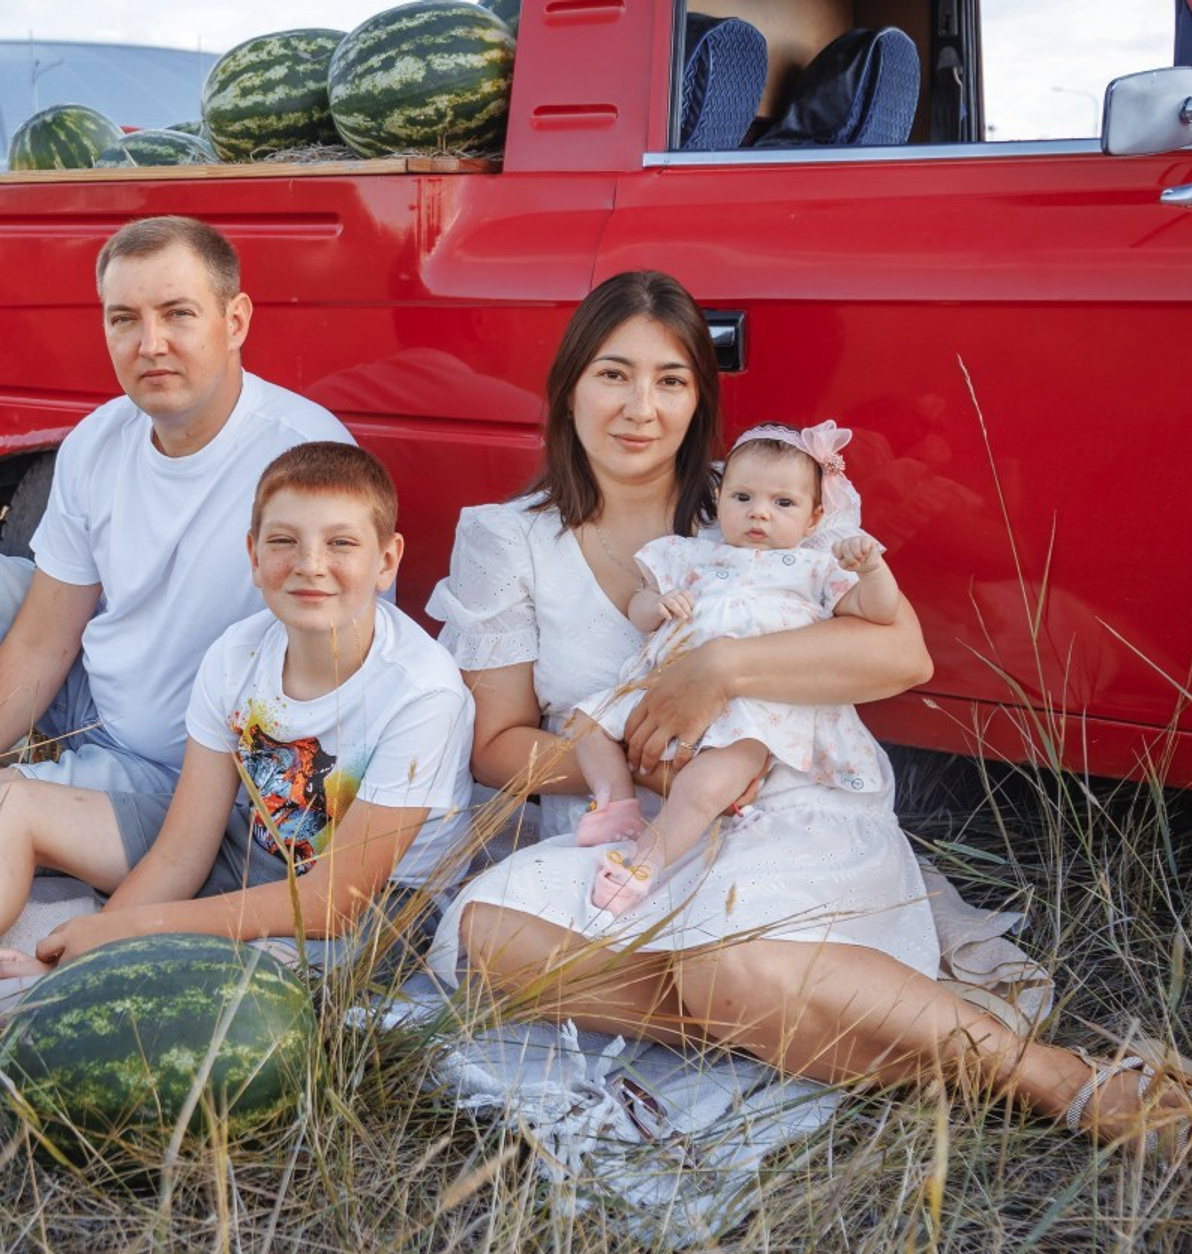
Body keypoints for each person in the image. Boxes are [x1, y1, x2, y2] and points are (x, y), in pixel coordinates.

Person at [424, 269, 1191, 1155]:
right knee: (481, 938)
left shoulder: (760, 496)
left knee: (726, 960)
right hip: (636, 831)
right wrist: (644, 760)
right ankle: (830, 1020)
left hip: (787, 806)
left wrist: (718, 669)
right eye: (612, 373)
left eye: (671, 380)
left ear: (699, 401)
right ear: (567, 388)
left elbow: (900, 653)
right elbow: (496, 745)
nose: (641, 406)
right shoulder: (506, 536)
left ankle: (1048, 1078)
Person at [0, 216, 351, 1043]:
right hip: (106, 686)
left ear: (236, 321)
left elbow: (319, 711)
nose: (151, 343)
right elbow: (45, 639)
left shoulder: (302, 464)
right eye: (124, 319)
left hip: (193, 767)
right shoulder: (99, 441)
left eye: (178, 314)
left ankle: (3, 796)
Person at [0, 442, 475, 983]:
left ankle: (64, 989)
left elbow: (333, 905)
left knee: (219, 984)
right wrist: (95, 942)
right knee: (9, 805)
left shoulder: (422, 691)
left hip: (372, 911)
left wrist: (133, 932)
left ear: (387, 561)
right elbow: (182, 852)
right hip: (249, 853)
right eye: (284, 542)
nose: (309, 565)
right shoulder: (237, 655)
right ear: (253, 557)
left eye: (340, 543)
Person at [573, 422, 900, 915]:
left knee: (707, 784)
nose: (759, 513)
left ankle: (644, 864)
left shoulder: (813, 570)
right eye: (743, 497)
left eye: (783, 504)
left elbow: (877, 613)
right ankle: (616, 804)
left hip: (755, 711)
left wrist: (872, 570)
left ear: (814, 518)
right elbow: (637, 604)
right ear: (720, 497)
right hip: (664, 688)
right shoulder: (690, 555)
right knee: (585, 723)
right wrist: (658, 603)